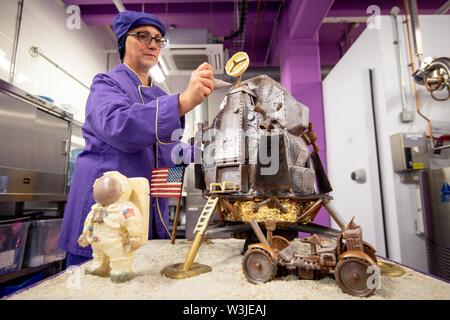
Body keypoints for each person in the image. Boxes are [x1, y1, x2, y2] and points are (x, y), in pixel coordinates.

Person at [57, 10, 214, 267]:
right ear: (122, 42)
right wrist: (184, 101)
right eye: (143, 36)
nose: (153, 44)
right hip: (105, 212)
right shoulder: (106, 84)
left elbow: (168, 154)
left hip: (144, 215)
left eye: (158, 39)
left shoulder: (160, 95)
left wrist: (208, 156)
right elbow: (121, 128)